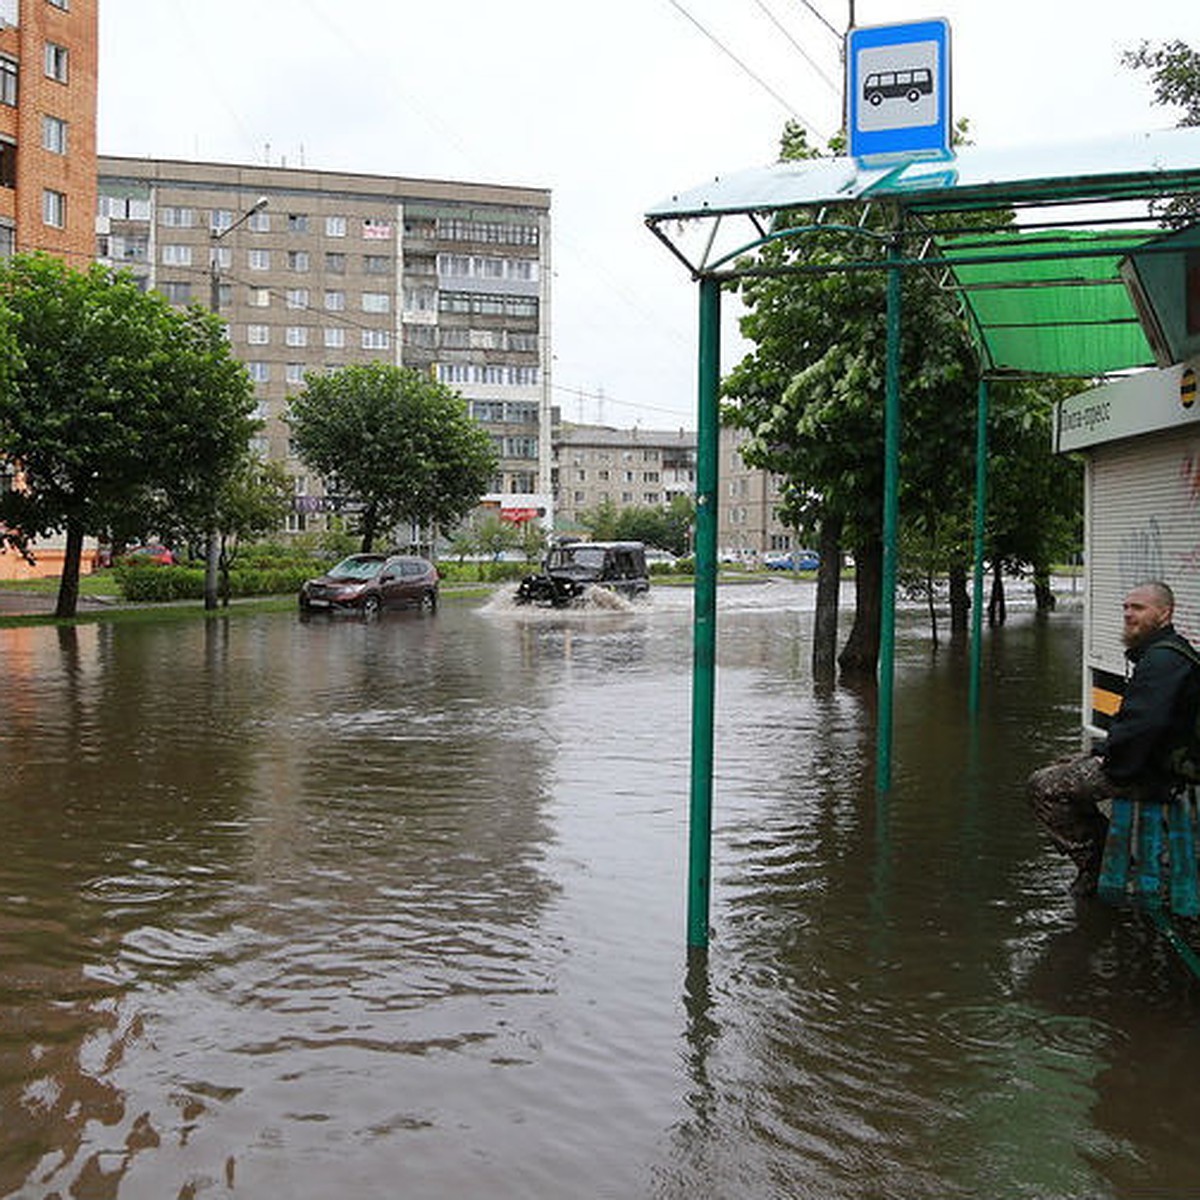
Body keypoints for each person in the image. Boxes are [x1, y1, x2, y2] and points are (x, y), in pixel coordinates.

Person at [1027, 580, 1200, 896]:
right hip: (1160, 760)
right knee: (1065, 763)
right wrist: (1099, 751)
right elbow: (1137, 724)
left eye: (1138, 608)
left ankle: (1095, 862)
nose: (1128, 614)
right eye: (1126, 607)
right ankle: (1103, 852)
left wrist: (1113, 764)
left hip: (1157, 773)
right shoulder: (1167, 652)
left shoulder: (1162, 660)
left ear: (1164, 613)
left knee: (1043, 786)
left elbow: (1144, 726)